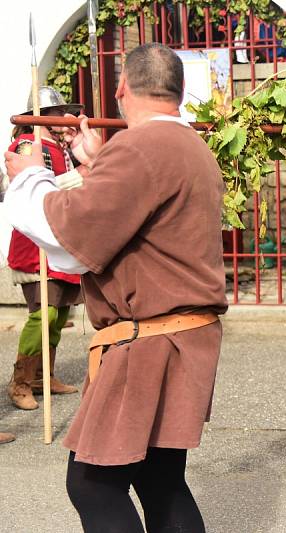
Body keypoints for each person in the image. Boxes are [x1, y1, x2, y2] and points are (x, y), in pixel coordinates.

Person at [4, 43, 227, 531]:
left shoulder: (143, 147)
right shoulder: (190, 145)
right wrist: (95, 164)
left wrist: (30, 177)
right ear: (180, 92)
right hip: (176, 336)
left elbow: (74, 235)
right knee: (159, 479)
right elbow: (119, 221)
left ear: (123, 87)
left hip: (148, 341)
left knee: (92, 484)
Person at [4, 87, 83, 415]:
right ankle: (20, 380)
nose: (62, 120)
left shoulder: (65, 149)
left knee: (61, 313)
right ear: (40, 117)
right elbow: (19, 188)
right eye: (55, 114)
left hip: (61, 237)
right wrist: (78, 179)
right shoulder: (26, 146)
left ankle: (42, 376)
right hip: (36, 241)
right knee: (45, 313)